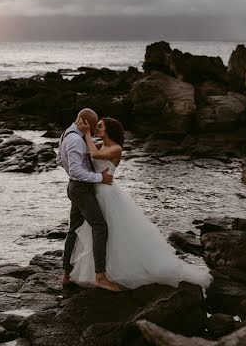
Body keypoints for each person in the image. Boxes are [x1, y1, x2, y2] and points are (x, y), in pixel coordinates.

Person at [68, 115, 212, 290]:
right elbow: (84, 151)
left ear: (108, 131)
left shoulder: (115, 148)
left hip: (107, 193)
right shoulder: (101, 143)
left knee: (111, 231)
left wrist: (86, 133)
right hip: (94, 191)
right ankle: (101, 271)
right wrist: (74, 136)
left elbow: (94, 154)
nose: (96, 128)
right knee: (102, 231)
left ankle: (111, 272)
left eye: (99, 126)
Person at [57, 108, 123, 291]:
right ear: (84, 122)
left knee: (74, 229)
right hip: (82, 189)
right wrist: (98, 178)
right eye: (94, 126)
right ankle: (100, 276)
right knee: (100, 227)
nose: (94, 130)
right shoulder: (76, 139)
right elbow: (76, 169)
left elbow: (60, 161)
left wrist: (75, 178)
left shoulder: (67, 135)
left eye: (97, 127)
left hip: (80, 188)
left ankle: (66, 275)